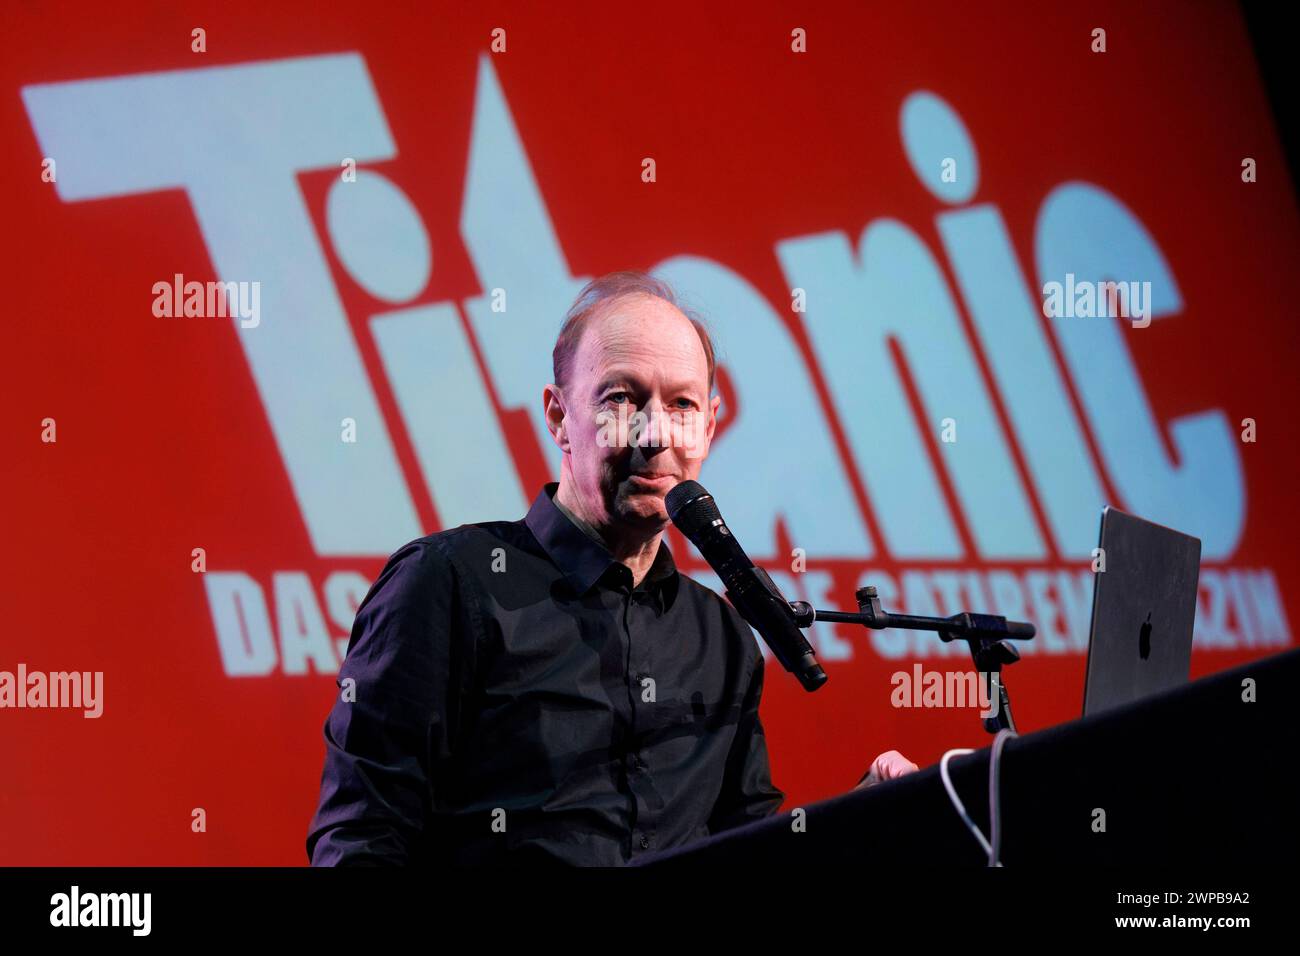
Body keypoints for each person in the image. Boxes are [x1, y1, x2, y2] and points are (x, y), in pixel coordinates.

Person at [306, 270, 916, 865]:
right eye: (621, 398)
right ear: (558, 417)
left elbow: (742, 846)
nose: (655, 434)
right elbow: (361, 837)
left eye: (681, 404)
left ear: (708, 424)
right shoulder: (445, 585)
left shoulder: (723, 637)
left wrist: (855, 826)